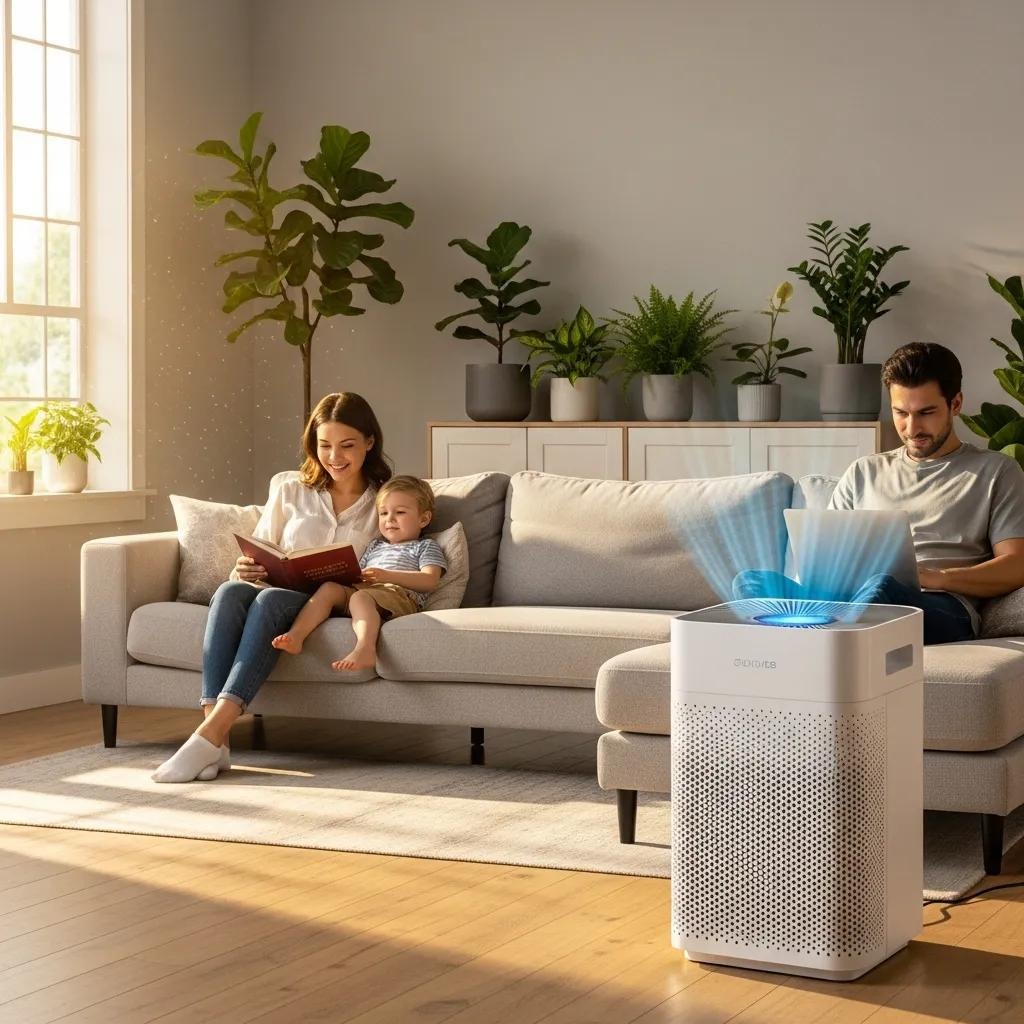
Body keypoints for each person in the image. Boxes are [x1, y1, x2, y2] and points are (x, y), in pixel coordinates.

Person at [152, 392, 391, 783]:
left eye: (347, 446)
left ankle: (207, 737)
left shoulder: (385, 497)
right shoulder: (291, 489)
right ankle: (216, 740)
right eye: (324, 445)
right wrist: (246, 568)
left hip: (331, 599)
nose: (335, 457)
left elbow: (399, 552)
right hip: (277, 585)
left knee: (271, 602)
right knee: (230, 593)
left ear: (370, 442)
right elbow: (264, 545)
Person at [734, 342, 1024, 645]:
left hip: (939, 605)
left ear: (956, 403)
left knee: (881, 587)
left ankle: (813, 640)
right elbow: (823, 555)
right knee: (751, 583)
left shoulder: (996, 471)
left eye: (926, 412)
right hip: (847, 596)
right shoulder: (864, 471)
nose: (912, 428)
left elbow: (1017, 565)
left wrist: (938, 577)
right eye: (901, 412)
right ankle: (824, 639)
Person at [270, 475, 447, 671]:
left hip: (399, 596)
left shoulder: (425, 546)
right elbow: (358, 574)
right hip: (365, 592)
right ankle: (296, 636)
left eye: (400, 512)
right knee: (329, 589)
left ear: (424, 518)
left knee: (360, 597)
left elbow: (430, 580)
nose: (390, 520)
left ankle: (365, 649)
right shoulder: (375, 545)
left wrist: (387, 575)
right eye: (384, 513)